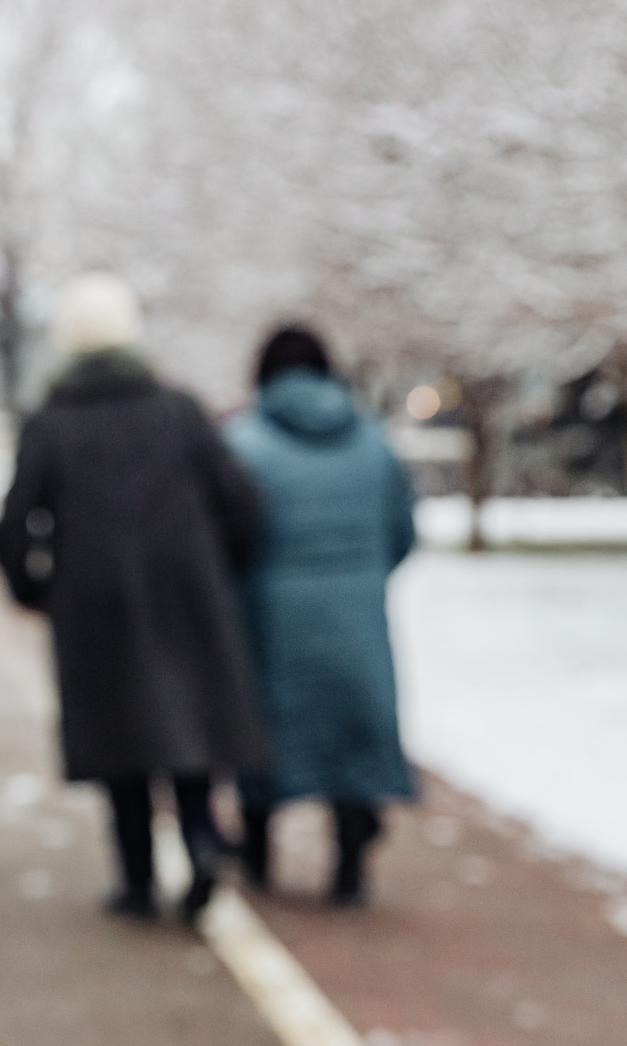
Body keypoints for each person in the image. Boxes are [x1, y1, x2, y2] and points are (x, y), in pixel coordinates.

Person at [0, 272, 268, 920]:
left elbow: (12, 524)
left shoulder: (51, 422)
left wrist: (34, 589)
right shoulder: (179, 409)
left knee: (117, 737)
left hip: (92, 601)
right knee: (190, 722)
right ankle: (200, 839)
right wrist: (220, 568)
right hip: (185, 590)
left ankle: (138, 880)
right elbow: (241, 501)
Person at [224, 324, 418, 907]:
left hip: (268, 613)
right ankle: (350, 868)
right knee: (352, 735)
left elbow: (227, 535)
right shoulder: (374, 441)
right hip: (356, 611)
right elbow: (404, 532)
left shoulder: (243, 442)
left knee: (266, 730)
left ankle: (258, 856)